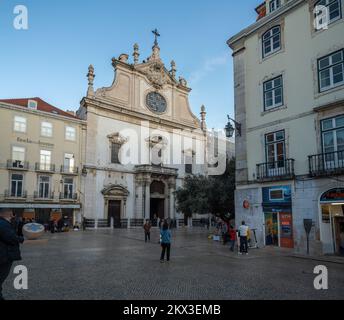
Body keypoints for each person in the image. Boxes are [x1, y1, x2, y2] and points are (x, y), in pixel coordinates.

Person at [0, 208, 24, 300]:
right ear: (10, 214)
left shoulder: (5, 223)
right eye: (12, 215)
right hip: (4, 255)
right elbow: (10, 237)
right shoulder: (3, 224)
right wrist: (22, 239)